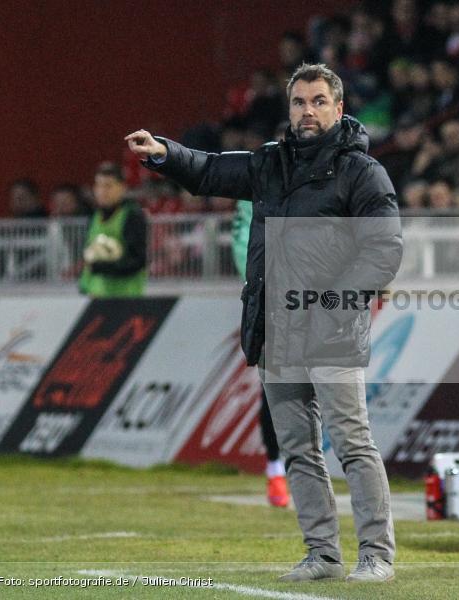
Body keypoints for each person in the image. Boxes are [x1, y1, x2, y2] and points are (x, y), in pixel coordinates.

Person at [125, 63, 401, 584]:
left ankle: (376, 556)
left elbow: (383, 250)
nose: (308, 111)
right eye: (299, 102)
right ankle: (322, 553)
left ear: (339, 109)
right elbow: (208, 170)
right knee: (297, 448)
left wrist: (333, 300)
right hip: (279, 328)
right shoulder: (268, 164)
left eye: (319, 102)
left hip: (334, 329)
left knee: (352, 442)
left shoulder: (362, 172)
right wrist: (165, 152)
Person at [231, 199, 290, 508]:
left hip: (319, 299)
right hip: (275, 300)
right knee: (275, 388)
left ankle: (303, 466)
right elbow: (243, 241)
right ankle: (276, 469)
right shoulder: (259, 177)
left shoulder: (322, 175)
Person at [78, 162, 148, 297]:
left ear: (122, 188)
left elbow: (137, 261)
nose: (102, 191)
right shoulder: (93, 216)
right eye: (98, 185)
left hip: (125, 298)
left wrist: (103, 267)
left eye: (108, 186)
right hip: (95, 296)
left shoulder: (131, 216)